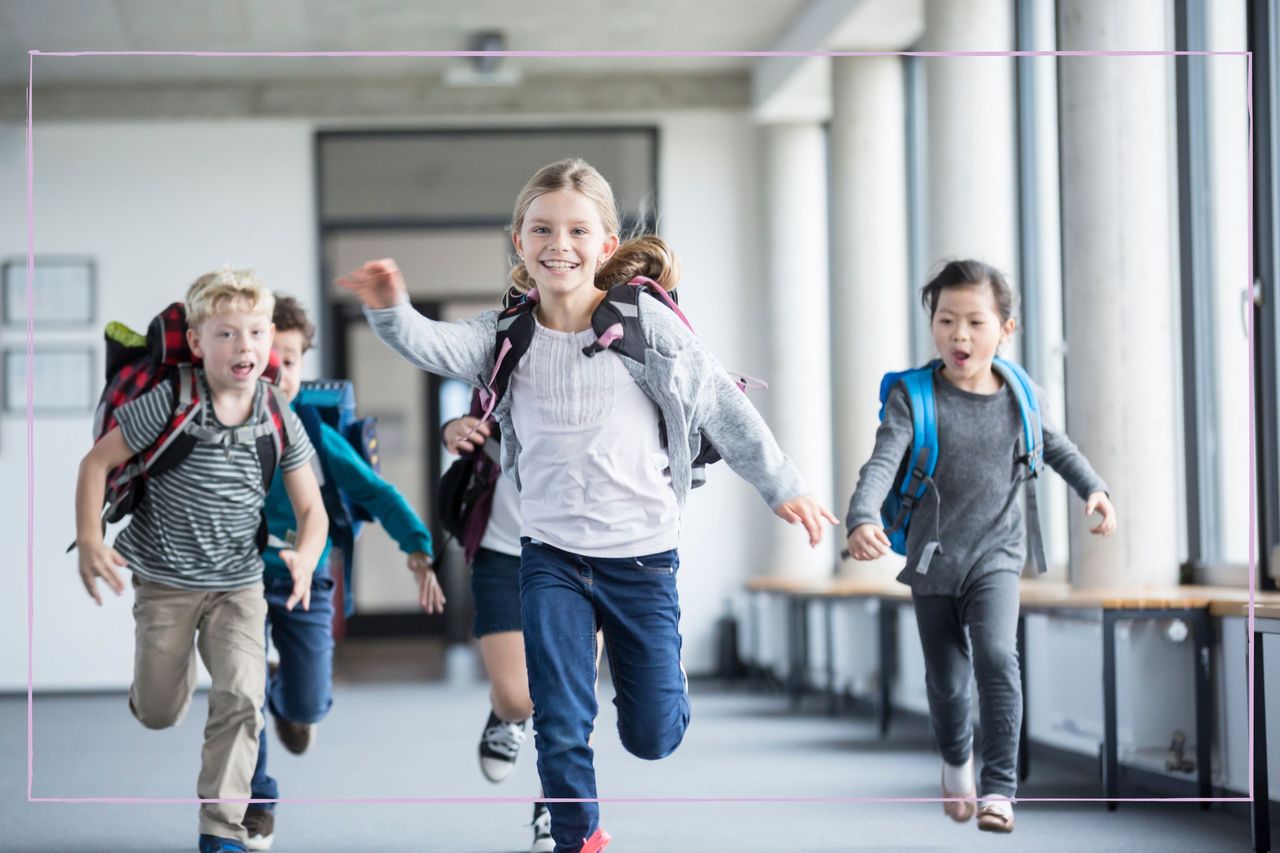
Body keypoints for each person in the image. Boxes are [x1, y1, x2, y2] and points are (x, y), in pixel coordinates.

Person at [339, 157, 837, 853]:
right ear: (519, 241)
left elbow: (722, 401)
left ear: (605, 246)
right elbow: (434, 345)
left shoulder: (645, 326)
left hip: (643, 558)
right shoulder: (505, 334)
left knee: (653, 735)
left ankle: (660, 690)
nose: (558, 243)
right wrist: (390, 306)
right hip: (550, 556)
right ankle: (577, 836)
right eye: (541, 228)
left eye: (577, 230)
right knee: (560, 717)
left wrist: (784, 485)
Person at [845, 259, 1117, 833]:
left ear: (1006, 328)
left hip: (998, 554)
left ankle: (999, 789)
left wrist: (1094, 489)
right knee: (946, 682)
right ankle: (954, 757)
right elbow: (882, 462)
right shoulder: (913, 398)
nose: (959, 336)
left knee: (997, 658)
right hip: (932, 559)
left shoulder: (1021, 394)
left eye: (975, 321)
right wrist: (862, 515)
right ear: (933, 324)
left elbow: (1057, 446)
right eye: (946, 320)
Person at [74, 270, 326, 853]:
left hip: (239, 585)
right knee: (160, 712)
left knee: (242, 697)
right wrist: (89, 539)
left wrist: (307, 558)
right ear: (195, 342)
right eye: (226, 334)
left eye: (255, 333)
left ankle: (222, 830)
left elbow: (312, 508)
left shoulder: (276, 412)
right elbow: (95, 464)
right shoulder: (171, 400)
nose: (244, 347)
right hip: (165, 583)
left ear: (269, 341)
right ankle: (164, 684)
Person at [241, 294, 443, 851]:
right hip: (240, 580)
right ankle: (256, 803)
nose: (278, 369)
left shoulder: (315, 434)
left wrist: (418, 549)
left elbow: (378, 494)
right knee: (241, 694)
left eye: (291, 357)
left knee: (309, 703)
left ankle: (290, 699)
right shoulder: (226, 424)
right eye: (269, 354)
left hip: (307, 577)